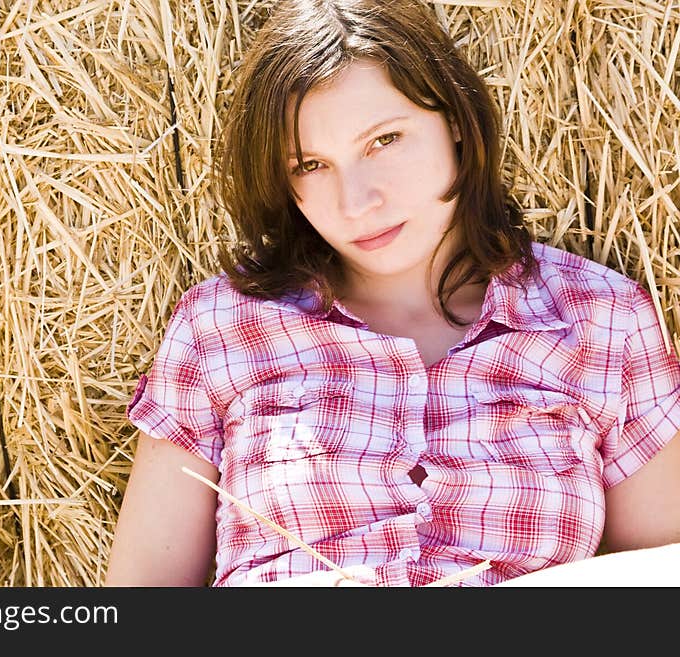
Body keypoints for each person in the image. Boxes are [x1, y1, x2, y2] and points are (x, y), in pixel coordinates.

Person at [104, 0, 680, 586]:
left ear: (454, 118)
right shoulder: (221, 329)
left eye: (385, 140)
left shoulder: (602, 320)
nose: (356, 202)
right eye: (310, 165)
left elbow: (661, 582)